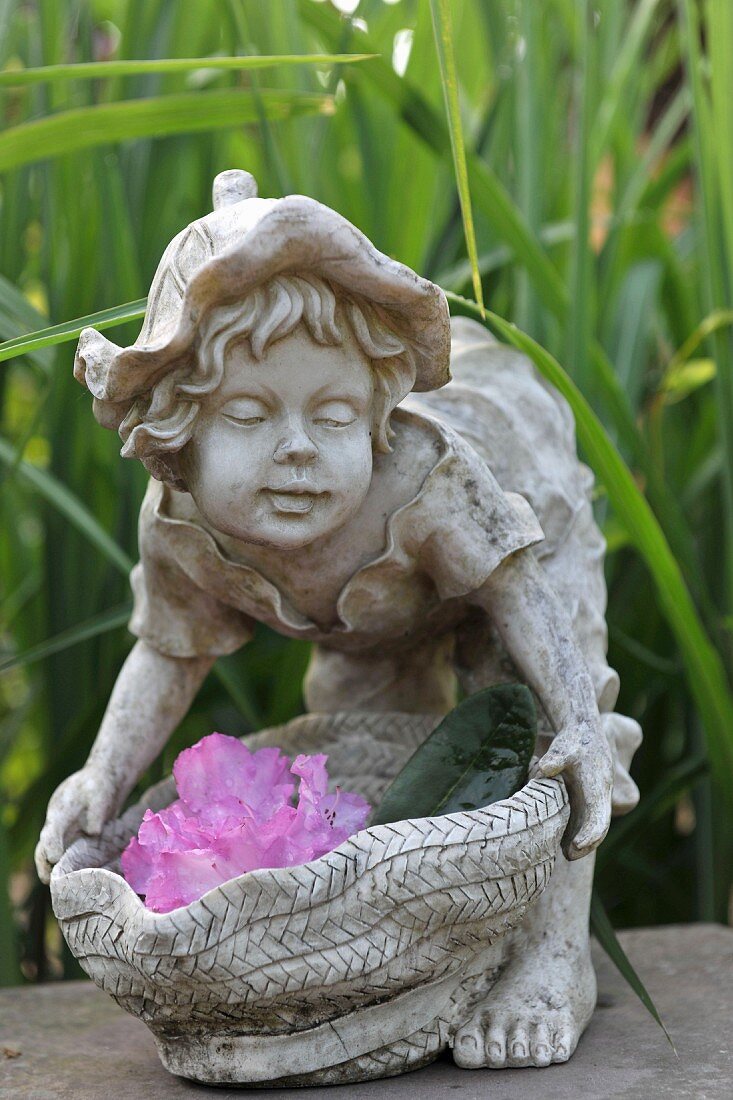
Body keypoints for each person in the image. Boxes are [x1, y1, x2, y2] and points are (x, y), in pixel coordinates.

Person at [36, 171, 640, 1068]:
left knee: (540, 729)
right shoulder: (180, 525)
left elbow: (518, 591)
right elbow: (168, 653)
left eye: (336, 414)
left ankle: (552, 962)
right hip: (368, 615)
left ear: (377, 416)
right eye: (248, 414)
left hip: (521, 542)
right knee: (378, 761)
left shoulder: (424, 480)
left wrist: (584, 724)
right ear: (178, 430)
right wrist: (103, 773)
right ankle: (409, 960)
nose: (297, 449)